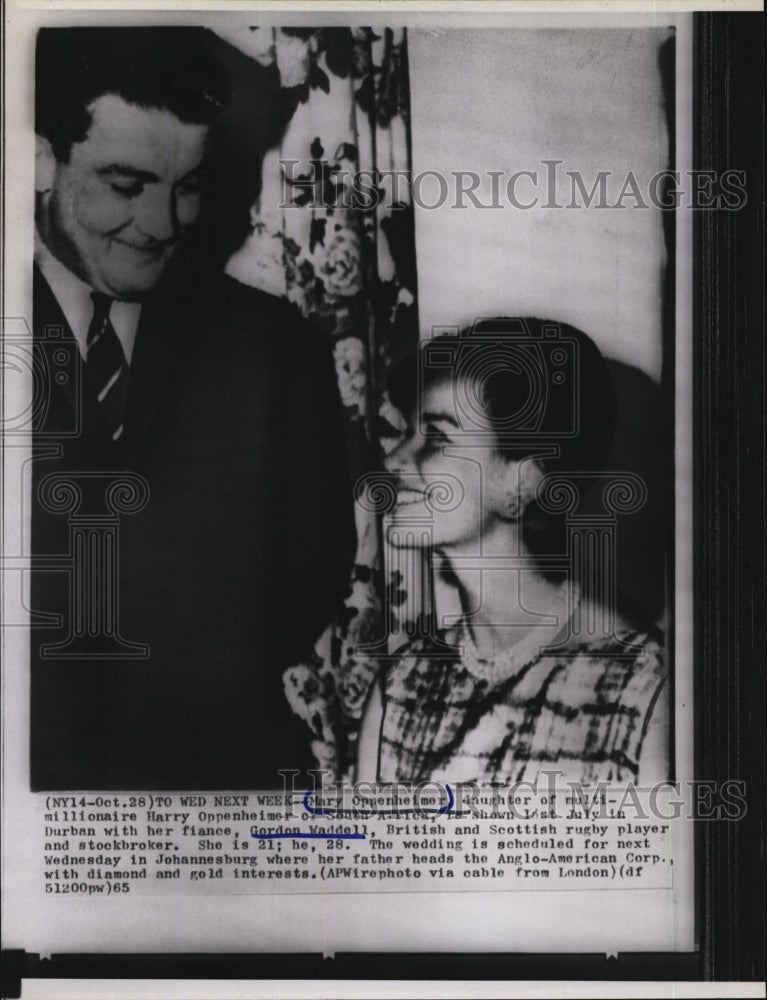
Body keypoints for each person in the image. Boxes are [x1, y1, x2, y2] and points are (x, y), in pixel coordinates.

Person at [31, 28, 355, 789]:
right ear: (41, 160)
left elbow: (311, 569)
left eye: (189, 186)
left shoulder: (273, 345)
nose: (164, 224)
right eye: (125, 184)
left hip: (212, 786)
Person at [357, 318, 668, 786]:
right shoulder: (400, 685)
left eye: (438, 438)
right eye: (408, 433)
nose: (394, 461)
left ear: (522, 482)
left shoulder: (642, 689)